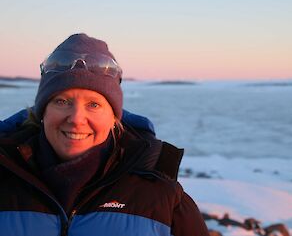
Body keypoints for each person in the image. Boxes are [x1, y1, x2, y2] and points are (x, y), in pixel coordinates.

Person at [0, 33, 209, 236]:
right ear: (42, 111)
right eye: (62, 101)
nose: (76, 118)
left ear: (114, 118)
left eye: (93, 104)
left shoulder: (161, 193)